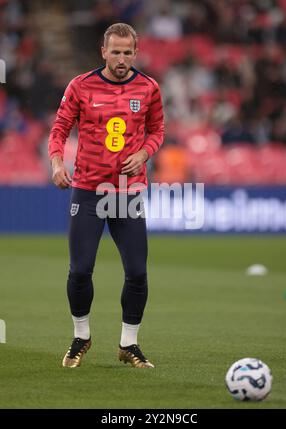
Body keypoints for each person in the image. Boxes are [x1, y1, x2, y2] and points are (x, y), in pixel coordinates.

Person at [48, 23, 164, 368]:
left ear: (136, 51)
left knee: (137, 273)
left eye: (128, 52)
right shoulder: (81, 86)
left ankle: (129, 344)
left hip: (127, 194)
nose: (122, 59)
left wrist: (143, 154)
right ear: (104, 52)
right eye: (116, 52)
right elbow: (59, 129)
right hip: (87, 191)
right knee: (81, 270)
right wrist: (57, 163)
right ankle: (81, 335)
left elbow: (158, 130)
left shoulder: (148, 88)